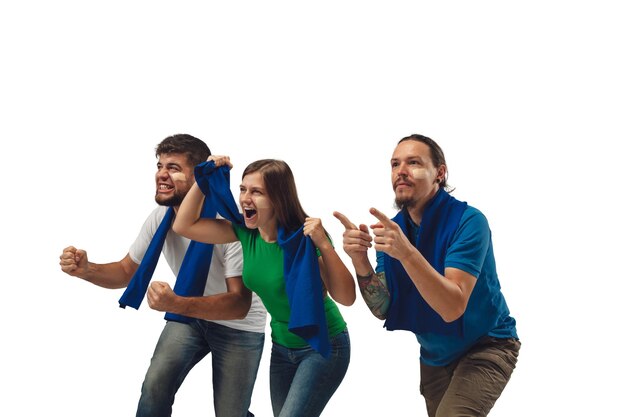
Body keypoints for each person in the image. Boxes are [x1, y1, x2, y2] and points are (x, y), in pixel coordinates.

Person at [58, 134, 267, 417]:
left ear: (199, 177)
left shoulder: (228, 224)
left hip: (238, 325)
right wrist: (87, 270)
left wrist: (176, 304)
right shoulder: (161, 217)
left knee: (232, 413)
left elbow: (238, 305)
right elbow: (126, 271)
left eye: (174, 168)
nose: (162, 175)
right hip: (189, 317)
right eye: (159, 166)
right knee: (155, 385)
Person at [334, 134, 520, 417]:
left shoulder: (469, 222)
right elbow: (383, 308)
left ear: (440, 173)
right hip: (435, 357)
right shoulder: (394, 231)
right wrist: (360, 261)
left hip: (487, 344)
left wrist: (407, 254)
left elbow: (452, 307)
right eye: (395, 164)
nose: (401, 171)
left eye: (414, 163)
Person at [173, 155, 355, 417]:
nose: (245, 198)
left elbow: (346, 297)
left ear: (277, 199)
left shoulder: (303, 238)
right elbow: (184, 224)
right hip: (281, 347)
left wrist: (324, 245)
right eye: (243, 189)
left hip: (324, 344)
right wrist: (205, 178)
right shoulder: (246, 233)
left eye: (256, 192)